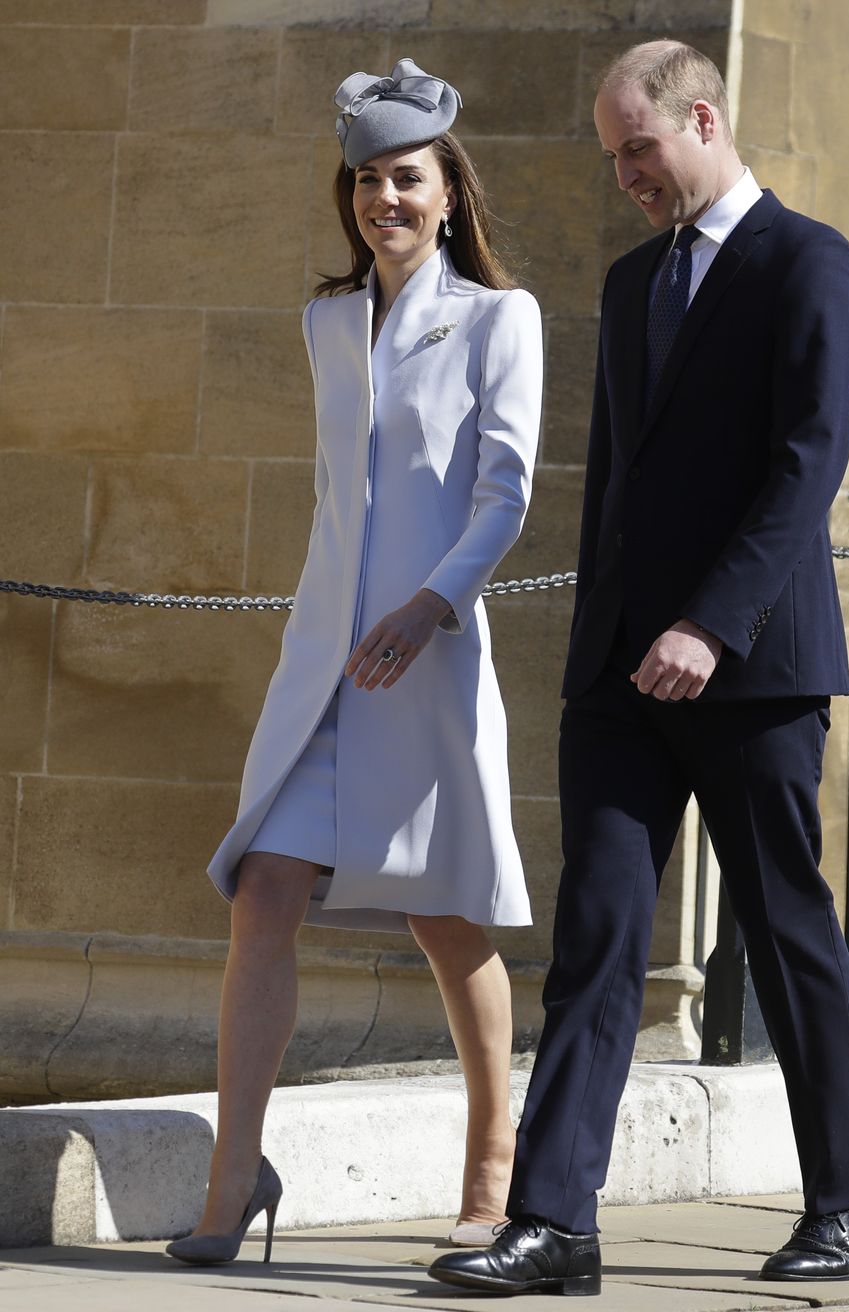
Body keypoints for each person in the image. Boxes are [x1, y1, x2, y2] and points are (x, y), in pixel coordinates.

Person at [429, 39, 849, 1296]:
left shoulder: (808, 261)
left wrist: (710, 624)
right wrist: (598, 657)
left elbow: (805, 468)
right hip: (623, 683)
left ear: (700, 116)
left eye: (637, 147)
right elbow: (614, 497)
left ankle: (843, 1203)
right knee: (595, 940)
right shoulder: (631, 284)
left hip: (751, 674)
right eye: (611, 155)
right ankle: (553, 1223)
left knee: (789, 938)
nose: (623, 172)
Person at [166, 58, 543, 1266]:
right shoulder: (328, 323)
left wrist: (429, 607)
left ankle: (492, 1174)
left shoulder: (499, 318)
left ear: (447, 193)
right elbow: (342, 503)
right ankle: (233, 1177)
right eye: (367, 179)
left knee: (444, 918)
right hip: (322, 666)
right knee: (264, 891)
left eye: (407, 179)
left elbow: (504, 493)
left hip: (422, 662)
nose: (384, 196)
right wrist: (336, 629)